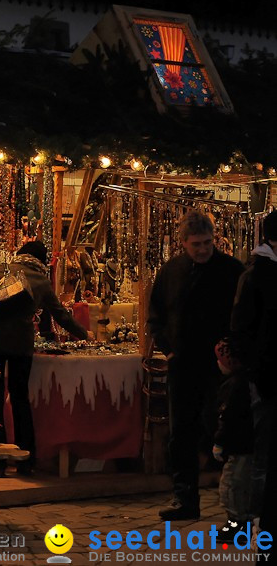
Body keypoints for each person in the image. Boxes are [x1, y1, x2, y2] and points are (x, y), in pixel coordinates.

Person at [147, 210, 244, 520]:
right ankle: (184, 499)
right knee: (182, 433)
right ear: (184, 243)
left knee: (220, 429)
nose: (202, 249)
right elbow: (156, 315)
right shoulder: (171, 271)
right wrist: (169, 351)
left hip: (221, 366)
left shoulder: (231, 271)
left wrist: (231, 352)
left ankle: (232, 500)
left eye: (207, 243)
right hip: (183, 364)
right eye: (196, 244)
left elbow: (243, 316)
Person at [0, 240, 88, 477]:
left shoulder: (1, 269)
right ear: (40, 259)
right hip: (20, 345)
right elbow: (60, 315)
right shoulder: (41, 280)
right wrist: (83, 333)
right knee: (20, 400)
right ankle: (25, 460)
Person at [230, 210, 277, 553]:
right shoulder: (258, 275)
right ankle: (249, 521)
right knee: (257, 455)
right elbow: (244, 330)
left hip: (266, 373)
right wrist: (254, 371)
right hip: (265, 377)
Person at [211, 338, 255, 541]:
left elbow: (227, 418)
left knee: (232, 485)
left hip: (238, 446)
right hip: (243, 444)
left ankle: (237, 523)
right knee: (238, 483)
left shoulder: (234, 387)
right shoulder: (243, 383)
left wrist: (219, 442)